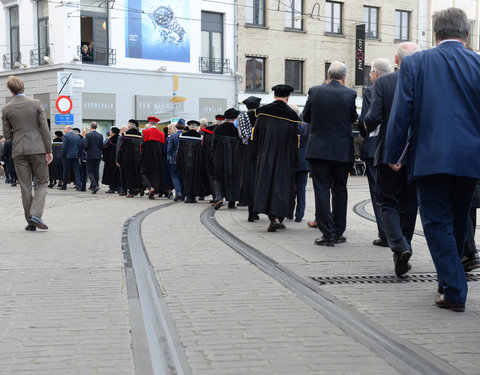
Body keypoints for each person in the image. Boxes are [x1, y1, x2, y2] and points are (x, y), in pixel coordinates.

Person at [385, 8, 480, 312]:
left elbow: (402, 113)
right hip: (470, 159)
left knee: (437, 221)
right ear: (466, 35)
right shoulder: (478, 63)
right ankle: (446, 279)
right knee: (457, 220)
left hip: (430, 156)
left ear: (435, 34)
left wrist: (394, 154)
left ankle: (454, 290)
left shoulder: (416, 63)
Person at [365, 42, 420, 276]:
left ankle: (399, 247)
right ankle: (404, 248)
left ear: (396, 61)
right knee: (410, 205)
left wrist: (367, 124)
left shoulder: (383, 82)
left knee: (387, 202)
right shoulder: (424, 83)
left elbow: (374, 117)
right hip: (417, 155)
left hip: (389, 153)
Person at [303, 62, 358, 246]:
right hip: (342, 150)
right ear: (344, 77)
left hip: (318, 150)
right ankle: (338, 231)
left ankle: (327, 233)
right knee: (340, 190)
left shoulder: (315, 91)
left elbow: (306, 117)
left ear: (328, 75)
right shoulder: (350, 94)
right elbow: (352, 118)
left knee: (322, 190)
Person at [1, 75, 52, 230]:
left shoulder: (6, 108)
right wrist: (48, 150)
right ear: (23, 87)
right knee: (42, 182)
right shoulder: (36, 104)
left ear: (10, 90)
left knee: (25, 186)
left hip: (18, 150)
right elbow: (44, 128)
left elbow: (7, 134)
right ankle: (36, 214)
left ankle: (31, 223)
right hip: (37, 148)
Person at [251, 84, 300, 232]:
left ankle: (273, 218)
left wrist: (255, 156)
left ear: (274, 96)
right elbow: (295, 141)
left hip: (266, 155)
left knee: (266, 184)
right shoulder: (292, 116)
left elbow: (256, 135)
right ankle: (279, 217)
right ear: (288, 97)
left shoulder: (263, 112)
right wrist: (294, 160)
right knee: (282, 186)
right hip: (285, 158)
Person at [359, 58, 393, 247]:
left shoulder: (371, 90)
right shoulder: (402, 84)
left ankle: (385, 233)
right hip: (399, 148)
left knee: (377, 192)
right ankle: (399, 234)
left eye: (370, 72)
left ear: (375, 73)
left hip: (375, 148)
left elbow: (366, 120)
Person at [237, 96, 261, 222]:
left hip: (247, 151)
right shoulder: (262, 116)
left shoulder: (242, 116)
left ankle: (251, 213)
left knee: (249, 180)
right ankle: (257, 210)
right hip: (260, 151)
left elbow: (243, 135)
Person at [212, 108, 241, 209]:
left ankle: (219, 197)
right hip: (233, 160)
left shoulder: (218, 129)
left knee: (217, 178)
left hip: (219, 158)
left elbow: (213, 144)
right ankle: (231, 202)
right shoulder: (236, 130)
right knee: (232, 178)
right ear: (234, 119)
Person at [175, 120, 208, 203]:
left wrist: (177, 161)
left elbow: (179, 150)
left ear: (189, 127)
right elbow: (203, 151)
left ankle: (188, 196)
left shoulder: (182, 136)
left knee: (186, 178)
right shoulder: (200, 137)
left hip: (184, 161)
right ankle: (193, 197)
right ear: (197, 128)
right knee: (195, 179)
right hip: (197, 163)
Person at [289, 104, 309, 223]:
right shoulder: (306, 126)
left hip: (291, 161)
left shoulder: (289, 126)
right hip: (304, 162)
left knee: (290, 189)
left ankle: (289, 212)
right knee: (301, 189)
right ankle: (299, 214)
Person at [141, 117, 166, 199]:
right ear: (157, 124)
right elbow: (163, 148)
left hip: (146, 156)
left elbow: (142, 145)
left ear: (149, 123)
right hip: (157, 158)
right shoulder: (161, 134)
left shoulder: (145, 132)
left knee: (144, 172)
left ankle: (150, 187)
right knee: (156, 174)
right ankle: (154, 188)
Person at [116, 123, 143, 197]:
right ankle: (136, 189)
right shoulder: (140, 135)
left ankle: (128, 191)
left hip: (126, 158)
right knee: (136, 174)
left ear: (129, 127)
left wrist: (118, 159)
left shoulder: (125, 135)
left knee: (127, 175)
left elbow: (120, 148)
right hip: (137, 158)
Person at [167, 119, 185, 201]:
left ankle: (178, 192)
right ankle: (183, 195)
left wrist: (169, 158)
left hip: (174, 159)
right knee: (182, 177)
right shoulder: (185, 135)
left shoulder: (173, 136)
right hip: (183, 160)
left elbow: (169, 149)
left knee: (175, 176)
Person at [58, 125, 81, 190]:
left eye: (65, 128)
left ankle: (64, 186)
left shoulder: (66, 136)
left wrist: (63, 155)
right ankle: (78, 186)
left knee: (65, 171)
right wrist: (78, 155)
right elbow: (79, 147)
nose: (64, 130)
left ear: (68, 129)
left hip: (67, 156)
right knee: (76, 171)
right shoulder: (77, 137)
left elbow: (64, 147)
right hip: (75, 156)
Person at [84, 122, 104, 194]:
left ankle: (95, 185)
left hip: (90, 155)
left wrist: (85, 150)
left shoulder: (88, 135)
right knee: (96, 171)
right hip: (98, 155)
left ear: (91, 127)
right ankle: (96, 185)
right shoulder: (100, 135)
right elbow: (102, 146)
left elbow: (86, 146)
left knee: (90, 171)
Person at [102, 127, 121, 193]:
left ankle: (112, 188)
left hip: (110, 160)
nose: (109, 132)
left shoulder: (110, 140)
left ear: (113, 132)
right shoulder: (120, 138)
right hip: (118, 159)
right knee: (118, 174)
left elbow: (104, 148)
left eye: (110, 131)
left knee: (110, 174)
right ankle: (119, 188)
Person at [73, 128, 87, 192]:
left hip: (83, 158)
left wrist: (79, 157)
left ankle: (83, 187)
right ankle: (94, 185)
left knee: (83, 173)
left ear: (84, 133)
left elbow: (80, 150)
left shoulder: (82, 140)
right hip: (91, 158)